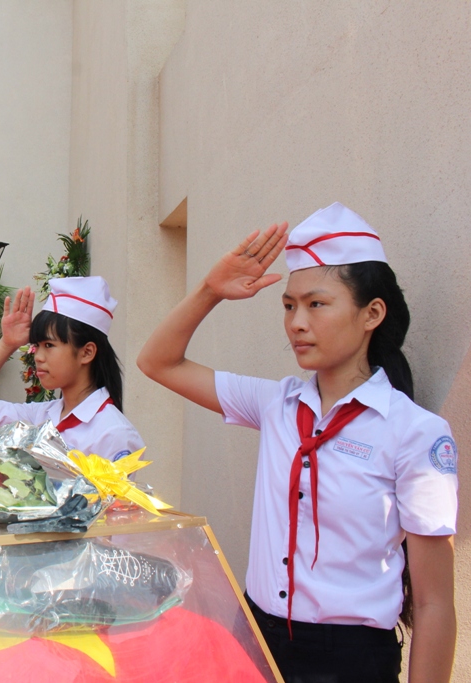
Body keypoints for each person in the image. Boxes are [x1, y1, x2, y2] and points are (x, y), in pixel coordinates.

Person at [136, 204, 457, 682]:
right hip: (255, 641)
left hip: (351, 662)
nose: (297, 323)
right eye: (289, 306)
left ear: (372, 313)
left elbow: (433, 602)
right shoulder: (277, 404)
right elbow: (157, 361)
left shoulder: (415, 432)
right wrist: (209, 291)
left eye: (317, 304)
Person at [0, 277, 144, 462]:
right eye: (37, 345)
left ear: (87, 353)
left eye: (49, 345)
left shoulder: (113, 433)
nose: (38, 356)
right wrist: (7, 344)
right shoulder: (42, 415)